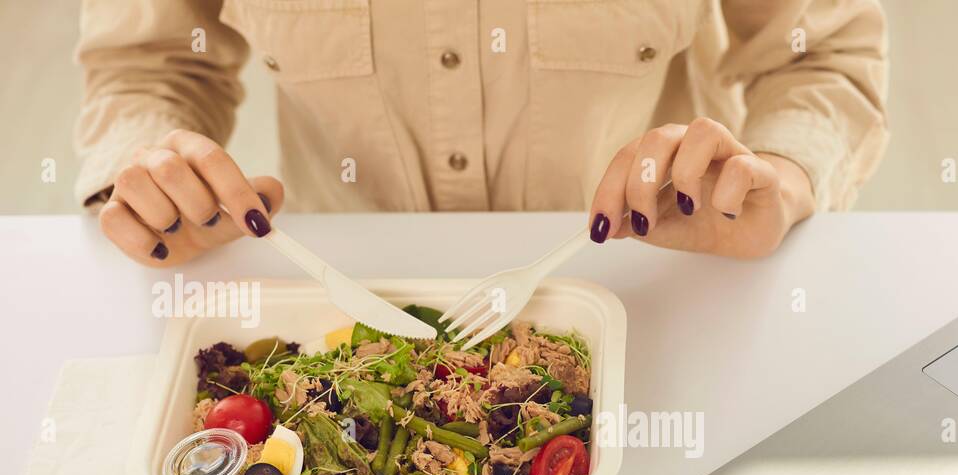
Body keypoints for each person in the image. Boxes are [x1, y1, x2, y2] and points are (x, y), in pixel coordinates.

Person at [75, 1, 888, 266]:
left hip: (654, 284)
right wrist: (150, 177)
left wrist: (780, 175)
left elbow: (821, 50)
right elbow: (147, 66)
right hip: (339, 296)